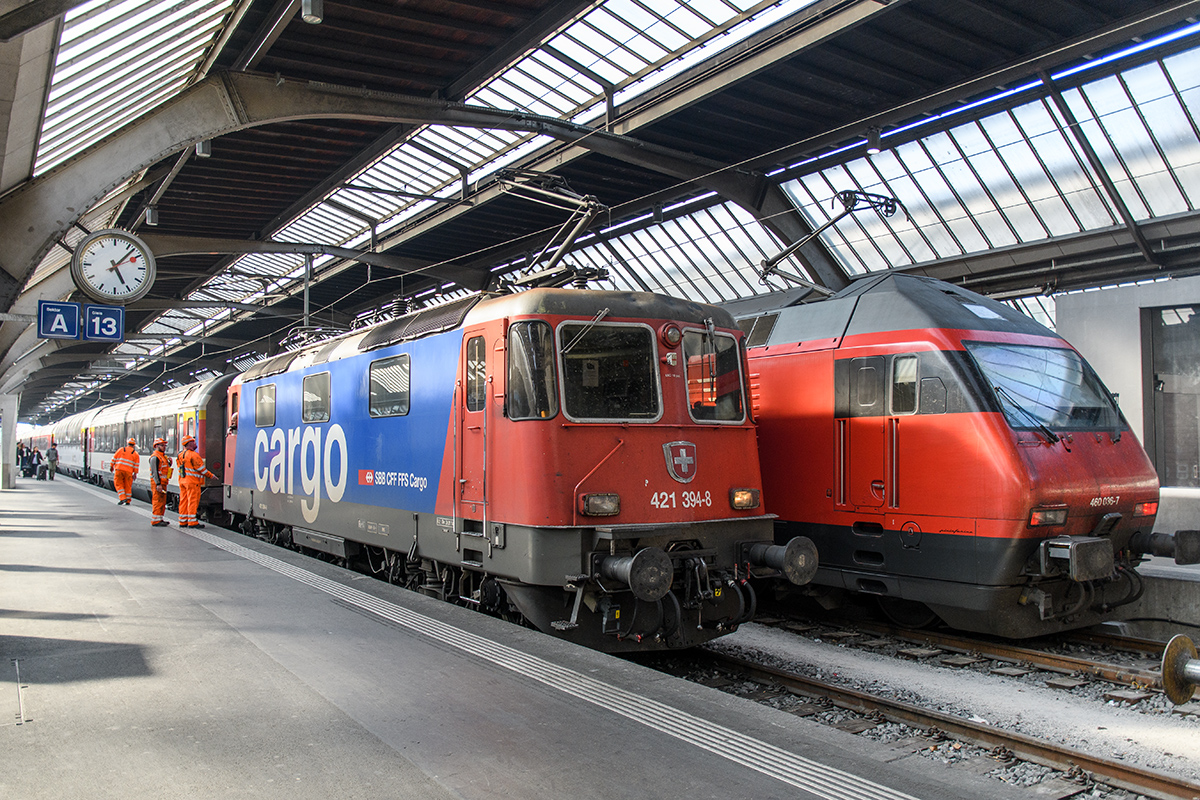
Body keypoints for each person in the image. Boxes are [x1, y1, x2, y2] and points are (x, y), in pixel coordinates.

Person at [177, 436, 216, 529]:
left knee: (183, 501)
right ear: (189, 443)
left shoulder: (180, 455)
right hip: (192, 482)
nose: (195, 444)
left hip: (183, 481)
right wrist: (211, 476)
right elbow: (201, 469)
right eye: (193, 442)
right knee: (192, 501)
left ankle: (183, 521)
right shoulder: (194, 455)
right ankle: (192, 522)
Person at [149, 438, 172, 527]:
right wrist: (158, 484)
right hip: (157, 483)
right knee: (157, 501)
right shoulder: (155, 457)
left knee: (162, 501)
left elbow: (164, 469)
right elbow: (155, 472)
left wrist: (169, 463)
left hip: (163, 483)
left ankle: (160, 519)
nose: (164, 447)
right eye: (162, 445)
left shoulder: (163, 457)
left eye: (165, 445)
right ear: (156, 446)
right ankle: (155, 520)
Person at [111, 437, 139, 505]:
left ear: (127, 443)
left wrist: (111, 466)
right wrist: (135, 474)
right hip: (129, 472)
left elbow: (114, 459)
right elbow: (136, 465)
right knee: (128, 486)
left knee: (118, 483)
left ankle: (122, 498)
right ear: (134, 445)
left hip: (119, 470)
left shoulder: (121, 450)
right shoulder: (135, 454)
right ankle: (128, 500)